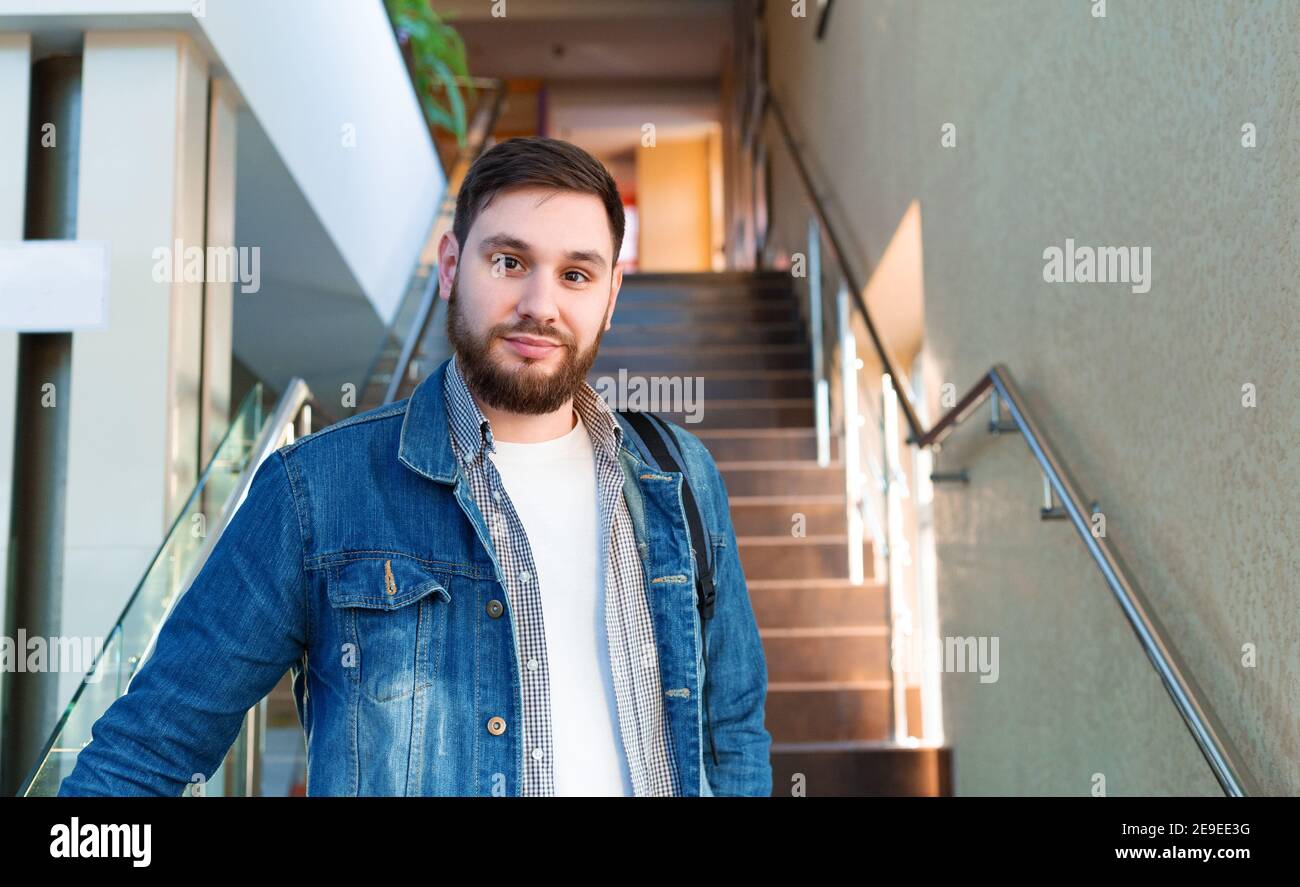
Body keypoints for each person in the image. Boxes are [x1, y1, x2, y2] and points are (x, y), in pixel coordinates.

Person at [59, 136, 771, 797]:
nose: (538, 305)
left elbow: (732, 732)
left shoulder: (679, 478)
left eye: (576, 274)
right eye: (510, 262)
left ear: (611, 296)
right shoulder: (316, 492)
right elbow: (145, 752)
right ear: (453, 266)